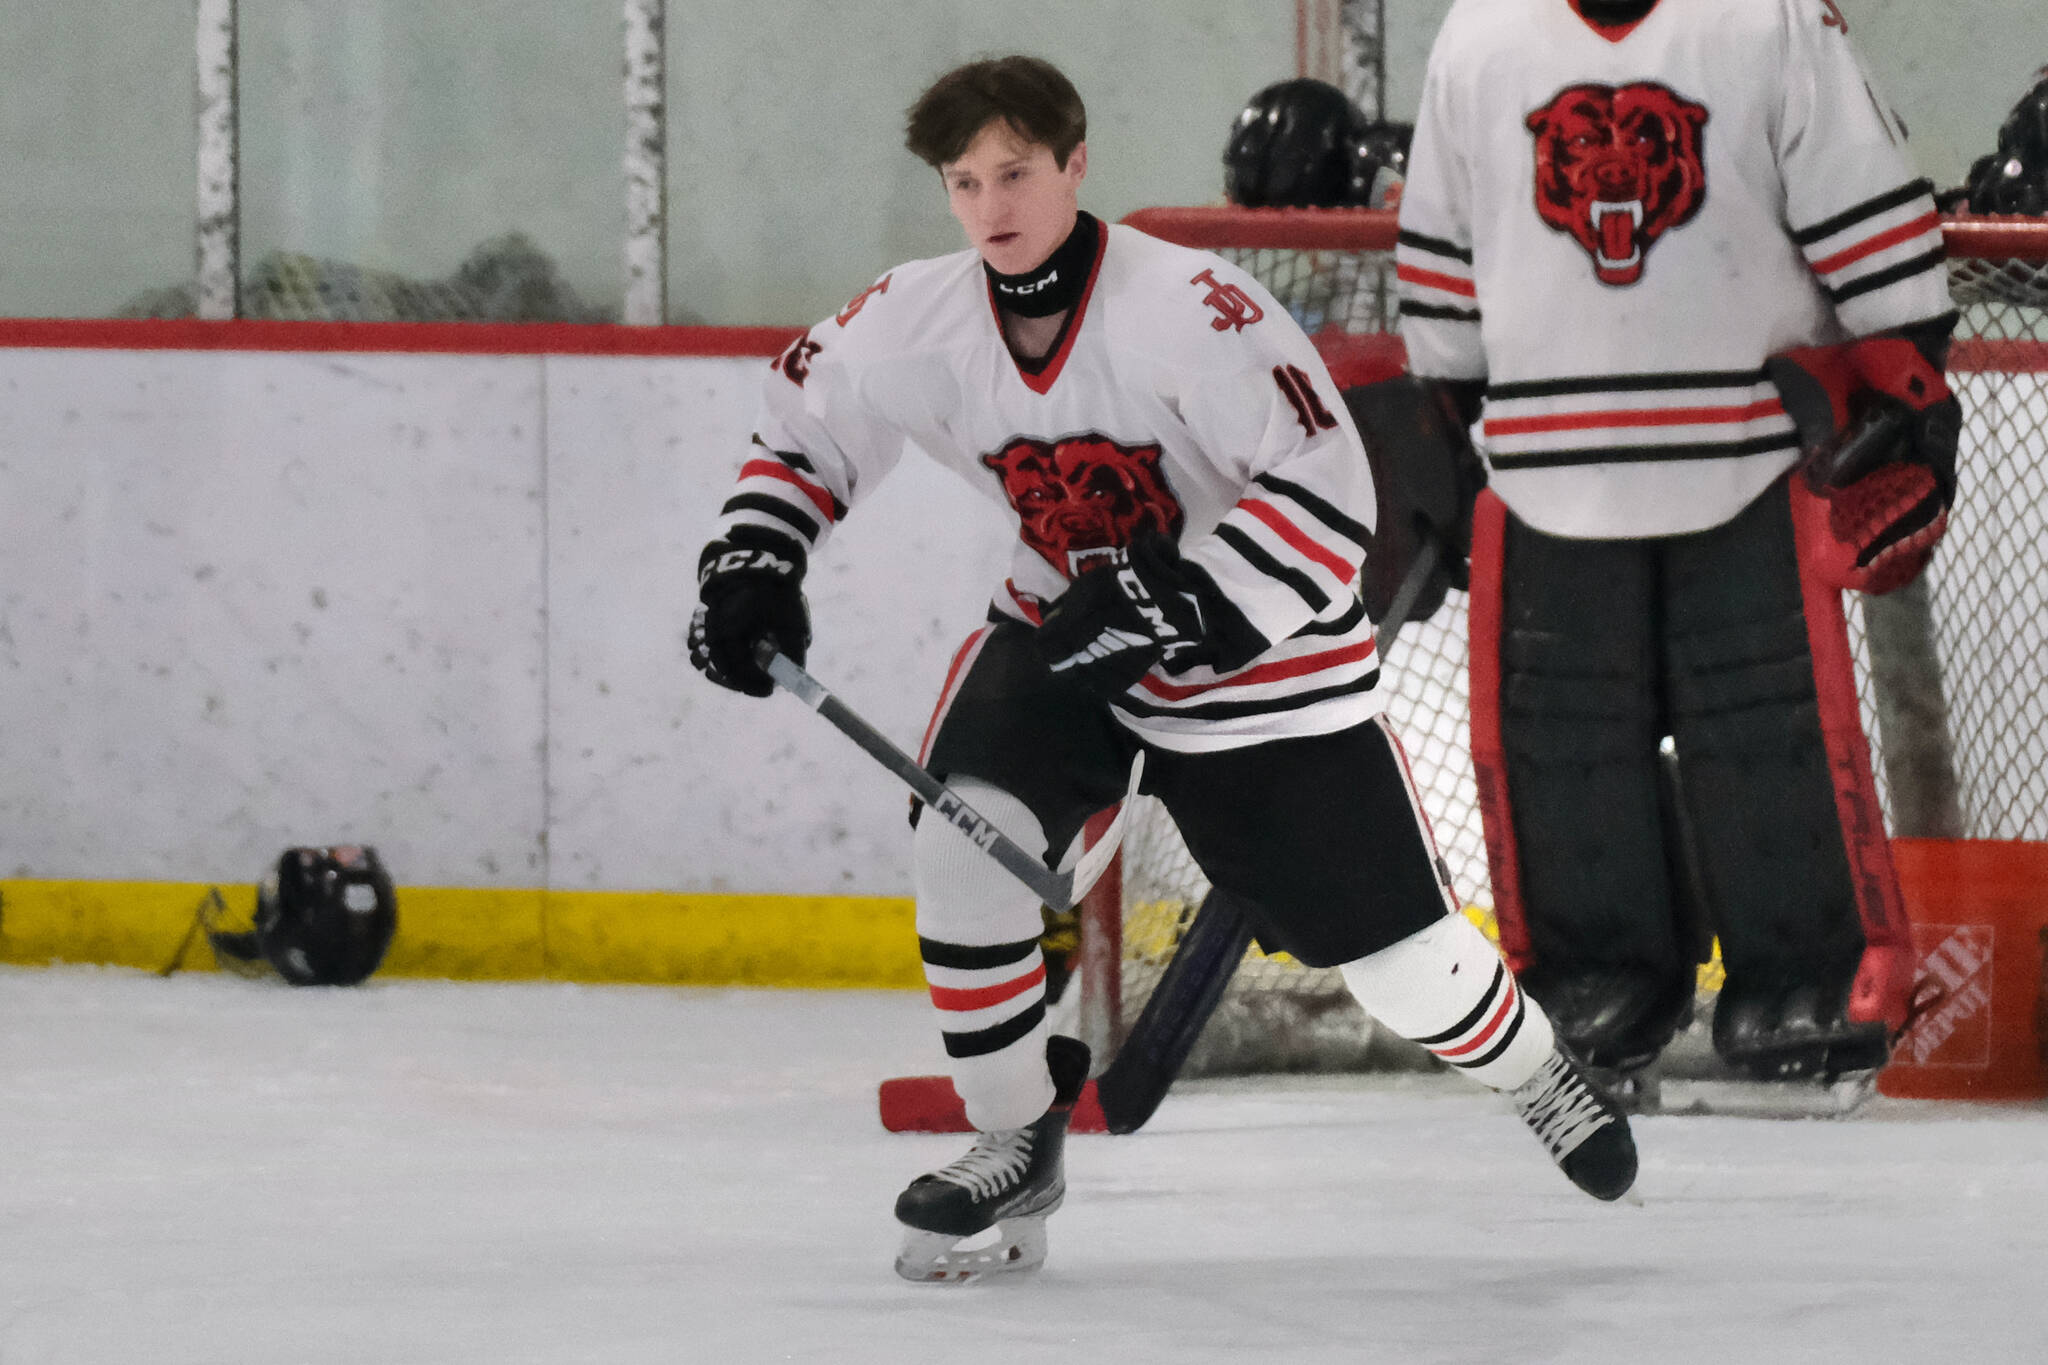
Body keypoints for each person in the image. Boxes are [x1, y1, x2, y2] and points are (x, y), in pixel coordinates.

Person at [689, 55, 1637, 1283]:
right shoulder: (914, 319)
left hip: (1257, 667)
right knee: (959, 838)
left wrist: (1187, 598)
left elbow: (1324, 486)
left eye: (1015, 171)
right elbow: (800, 425)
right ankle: (1011, 1139)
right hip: (1058, 634)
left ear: (1075, 165)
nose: (991, 205)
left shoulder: (1193, 307)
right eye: (965, 182)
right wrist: (756, 559)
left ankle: (1532, 1071)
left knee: (1404, 970)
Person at [1393, 0, 1959, 1094]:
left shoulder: (1767, 15)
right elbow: (1445, 260)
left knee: (1766, 733)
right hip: (1538, 465)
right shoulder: (1479, 31)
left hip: (1749, 458)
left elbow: (1868, 222)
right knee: (1558, 744)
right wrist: (1438, 433)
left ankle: (1804, 969)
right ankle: (1591, 972)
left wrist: (1909, 399)